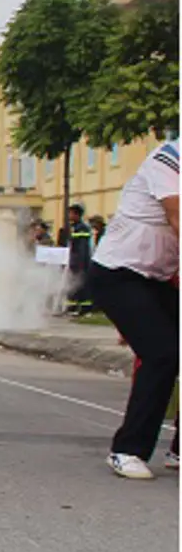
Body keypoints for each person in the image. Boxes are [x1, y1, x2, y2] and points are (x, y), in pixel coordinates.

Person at [86, 140, 179, 480]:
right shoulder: (170, 157)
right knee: (163, 354)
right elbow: (176, 215)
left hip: (158, 277)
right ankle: (127, 450)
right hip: (119, 274)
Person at [64, 203, 94, 315]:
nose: (69, 215)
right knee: (73, 284)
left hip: (81, 262)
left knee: (81, 285)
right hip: (75, 261)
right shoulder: (75, 228)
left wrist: (79, 263)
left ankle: (85, 309)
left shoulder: (82, 228)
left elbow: (82, 248)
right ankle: (72, 307)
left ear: (77, 214)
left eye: (71, 213)